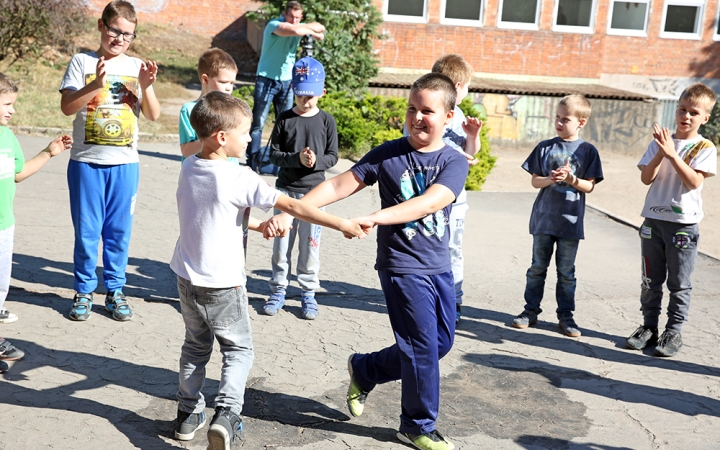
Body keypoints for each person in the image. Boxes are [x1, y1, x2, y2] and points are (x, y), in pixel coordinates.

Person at [272, 73, 468, 450]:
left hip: (439, 267)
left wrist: (377, 217)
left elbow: (433, 201)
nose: (417, 117)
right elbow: (337, 185)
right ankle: (417, 425)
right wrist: (293, 211)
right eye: (412, 108)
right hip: (401, 266)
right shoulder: (389, 153)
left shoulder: (452, 161)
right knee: (422, 348)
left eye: (427, 110)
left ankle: (365, 369)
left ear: (448, 115)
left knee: (437, 344)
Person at [170, 91, 362, 449]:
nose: (250, 138)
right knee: (238, 351)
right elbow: (292, 204)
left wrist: (260, 226)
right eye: (245, 132)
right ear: (222, 137)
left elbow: (214, 213)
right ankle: (226, 415)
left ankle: (186, 415)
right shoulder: (239, 177)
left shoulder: (189, 166)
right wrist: (341, 223)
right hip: (224, 284)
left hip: (186, 278)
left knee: (195, 348)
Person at [59, 0, 160, 322]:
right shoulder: (81, 61)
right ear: (102, 26)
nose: (120, 39)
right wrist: (95, 85)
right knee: (87, 232)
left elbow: (153, 115)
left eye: (128, 35)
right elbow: (67, 107)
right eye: (115, 30)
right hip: (86, 163)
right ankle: (84, 291)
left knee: (118, 232)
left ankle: (115, 291)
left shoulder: (135, 68)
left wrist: (146, 87)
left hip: (125, 165)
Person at [625, 83, 717, 358]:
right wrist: (660, 153)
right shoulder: (661, 142)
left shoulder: (704, 146)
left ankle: (673, 331)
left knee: (679, 283)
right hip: (653, 220)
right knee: (650, 280)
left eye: (693, 112)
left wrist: (673, 155)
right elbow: (646, 178)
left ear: (705, 118)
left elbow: (693, 182)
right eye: (682, 109)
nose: (686, 116)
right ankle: (648, 327)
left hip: (683, 227)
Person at [512, 94, 604, 338]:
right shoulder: (545, 147)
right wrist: (549, 179)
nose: (559, 123)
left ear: (581, 123)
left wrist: (572, 179)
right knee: (537, 268)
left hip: (570, 224)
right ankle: (530, 311)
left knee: (566, 273)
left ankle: (566, 316)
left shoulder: (588, 151)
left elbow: (590, 186)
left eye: (566, 119)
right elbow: (534, 181)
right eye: (557, 118)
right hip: (543, 220)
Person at [0, 72, 73, 360]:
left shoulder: (7, 137)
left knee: (1, 285)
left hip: (5, 226)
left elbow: (17, 174)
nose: (13, 110)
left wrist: (48, 153)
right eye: (6, 104)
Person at [262, 56, 338, 320]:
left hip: (315, 196)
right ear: (293, 89)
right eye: (301, 95)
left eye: (311, 96)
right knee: (281, 246)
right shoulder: (284, 119)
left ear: (322, 92)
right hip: (285, 193)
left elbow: (333, 156)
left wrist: (317, 161)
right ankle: (278, 289)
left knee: (310, 247)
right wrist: (296, 159)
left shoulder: (327, 121)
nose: (305, 102)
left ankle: (308, 292)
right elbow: (273, 155)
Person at [428, 54, 482, 324]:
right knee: (429, 246)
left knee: (453, 250)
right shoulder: (426, 108)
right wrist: (457, 155)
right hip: (428, 197)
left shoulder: (459, 114)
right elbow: (420, 145)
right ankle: (428, 296)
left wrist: (472, 137)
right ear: (458, 85)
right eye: (469, 87)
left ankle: (454, 301)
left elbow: (470, 151)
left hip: (456, 200)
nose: (468, 92)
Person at [247, 0, 325, 169]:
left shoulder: (300, 25)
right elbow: (296, 30)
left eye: (298, 17)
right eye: (291, 16)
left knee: (287, 122)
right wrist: (311, 32)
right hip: (266, 78)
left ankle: (282, 161)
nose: (294, 20)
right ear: (284, 14)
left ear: (301, 16)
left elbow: (321, 27)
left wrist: (311, 30)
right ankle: (252, 160)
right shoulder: (274, 25)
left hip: (287, 81)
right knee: (259, 122)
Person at [179, 48, 238, 162]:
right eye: (223, 82)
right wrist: (212, 139)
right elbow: (187, 151)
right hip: (200, 174)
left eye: (232, 83)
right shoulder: (189, 110)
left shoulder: (234, 110)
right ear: (205, 80)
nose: (228, 87)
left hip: (228, 174)